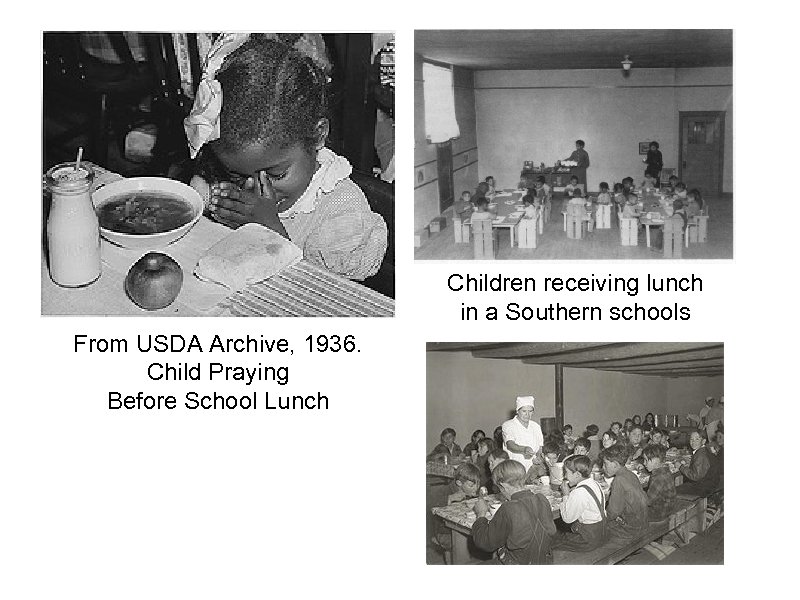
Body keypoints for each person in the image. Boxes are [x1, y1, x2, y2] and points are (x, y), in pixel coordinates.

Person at [185, 34, 387, 281]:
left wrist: (271, 230)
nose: (254, 187)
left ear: (318, 135)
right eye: (237, 174)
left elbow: (326, 291)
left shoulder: (341, 214)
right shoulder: (247, 170)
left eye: (275, 174)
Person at [472, 460, 557, 564]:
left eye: (499, 489)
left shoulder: (508, 508)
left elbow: (486, 543)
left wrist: (481, 514)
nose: (501, 493)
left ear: (504, 486)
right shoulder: (542, 499)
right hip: (545, 560)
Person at [554, 455, 607, 551]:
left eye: (566, 473)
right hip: (600, 533)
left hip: (587, 539)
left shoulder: (578, 493)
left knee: (552, 540)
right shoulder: (594, 483)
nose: (565, 476)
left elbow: (567, 518)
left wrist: (565, 495)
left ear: (577, 475)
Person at [601, 444, 649, 541]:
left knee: (596, 529)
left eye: (605, 464)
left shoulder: (618, 480)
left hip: (632, 529)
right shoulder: (630, 474)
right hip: (642, 523)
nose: (603, 467)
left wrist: (601, 520)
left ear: (615, 464)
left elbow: (614, 511)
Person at [501, 396, 544, 471]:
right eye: (524, 411)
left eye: (530, 411)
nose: (527, 414)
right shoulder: (508, 425)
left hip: (533, 469)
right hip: (515, 468)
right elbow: (510, 444)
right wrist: (524, 449)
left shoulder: (536, 426)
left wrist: (538, 457)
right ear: (517, 411)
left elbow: (540, 448)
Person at [677, 430, 721, 496]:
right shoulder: (704, 450)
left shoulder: (701, 455)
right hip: (711, 483)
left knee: (672, 491)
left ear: (703, 441)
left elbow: (695, 476)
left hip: (704, 487)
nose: (693, 442)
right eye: (691, 439)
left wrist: (680, 467)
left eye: (697, 439)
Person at [642, 444, 676, 521]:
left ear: (657, 460)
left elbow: (648, 502)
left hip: (658, 513)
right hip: (667, 508)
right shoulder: (665, 470)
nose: (644, 463)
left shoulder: (659, 478)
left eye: (646, 460)